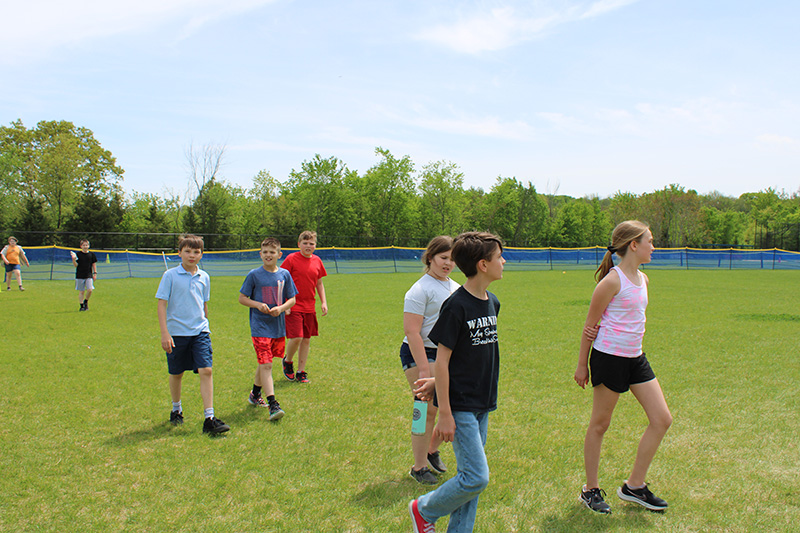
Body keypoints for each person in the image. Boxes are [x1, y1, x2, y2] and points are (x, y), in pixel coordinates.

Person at [409, 232, 505, 533]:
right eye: (499, 256)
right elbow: (445, 359)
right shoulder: (456, 306)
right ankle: (424, 509)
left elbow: (467, 359)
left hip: (482, 404)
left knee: (469, 478)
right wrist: (445, 412)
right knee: (476, 477)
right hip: (461, 405)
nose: (504, 261)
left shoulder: (493, 302)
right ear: (483, 264)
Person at [574, 220, 672, 514]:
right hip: (609, 358)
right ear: (634, 245)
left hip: (636, 358)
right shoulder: (611, 282)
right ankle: (589, 490)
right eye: (650, 241)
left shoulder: (644, 279)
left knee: (662, 419)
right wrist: (582, 365)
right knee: (600, 424)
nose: (653, 247)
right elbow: (590, 326)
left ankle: (635, 486)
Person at [156, 234, 229, 435]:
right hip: (177, 334)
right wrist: (165, 333)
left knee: (206, 370)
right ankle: (176, 409)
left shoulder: (204, 276)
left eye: (196, 252)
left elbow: (204, 304)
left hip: (200, 332)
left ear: (201, 255)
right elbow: (162, 305)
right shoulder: (169, 276)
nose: (192, 255)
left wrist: (205, 323)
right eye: (187, 251)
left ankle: (209, 418)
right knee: (177, 373)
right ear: (179, 253)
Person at [401, 236, 459, 485]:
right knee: (423, 409)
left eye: (452, 258)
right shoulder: (419, 289)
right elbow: (412, 331)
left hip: (445, 354)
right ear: (430, 258)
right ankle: (419, 466)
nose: (448, 263)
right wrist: (424, 368)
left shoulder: (455, 287)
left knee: (444, 407)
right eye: (443, 257)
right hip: (420, 353)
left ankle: (431, 450)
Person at [239, 237, 297, 421]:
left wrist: (281, 308)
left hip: (277, 327)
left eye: (272, 252)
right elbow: (242, 298)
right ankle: (273, 404)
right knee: (267, 364)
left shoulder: (284, 275)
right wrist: (258, 305)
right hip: (260, 326)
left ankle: (255, 394)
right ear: (260, 254)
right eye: (265, 252)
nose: (268, 255)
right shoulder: (254, 275)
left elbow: (292, 299)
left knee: (265, 362)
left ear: (279, 254)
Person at [281, 230, 328, 384]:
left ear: (315, 245)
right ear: (299, 244)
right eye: (305, 243)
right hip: (293, 304)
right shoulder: (291, 259)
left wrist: (323, 302)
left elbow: (319, 283)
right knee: (296, 337)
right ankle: (288, 361)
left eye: (311, 243)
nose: (308, 246)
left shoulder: (317, 261)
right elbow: (281, 281)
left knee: (306, 339)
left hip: (309, 306)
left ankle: (301, 371)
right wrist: (284, 303)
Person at [70, 239, 97, 311]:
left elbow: (93, 264)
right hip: (80, 275)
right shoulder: (78, 254)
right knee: (81, 291)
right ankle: (81, 305)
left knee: (90, 290)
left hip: (88, 274)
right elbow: (76, 265)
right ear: (81, 246)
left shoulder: (91, 254)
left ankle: (86, 301)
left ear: (89, 246)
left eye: (86, 245)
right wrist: (73, 260)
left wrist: (95, 273)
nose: (85, 246)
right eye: (84, 245)